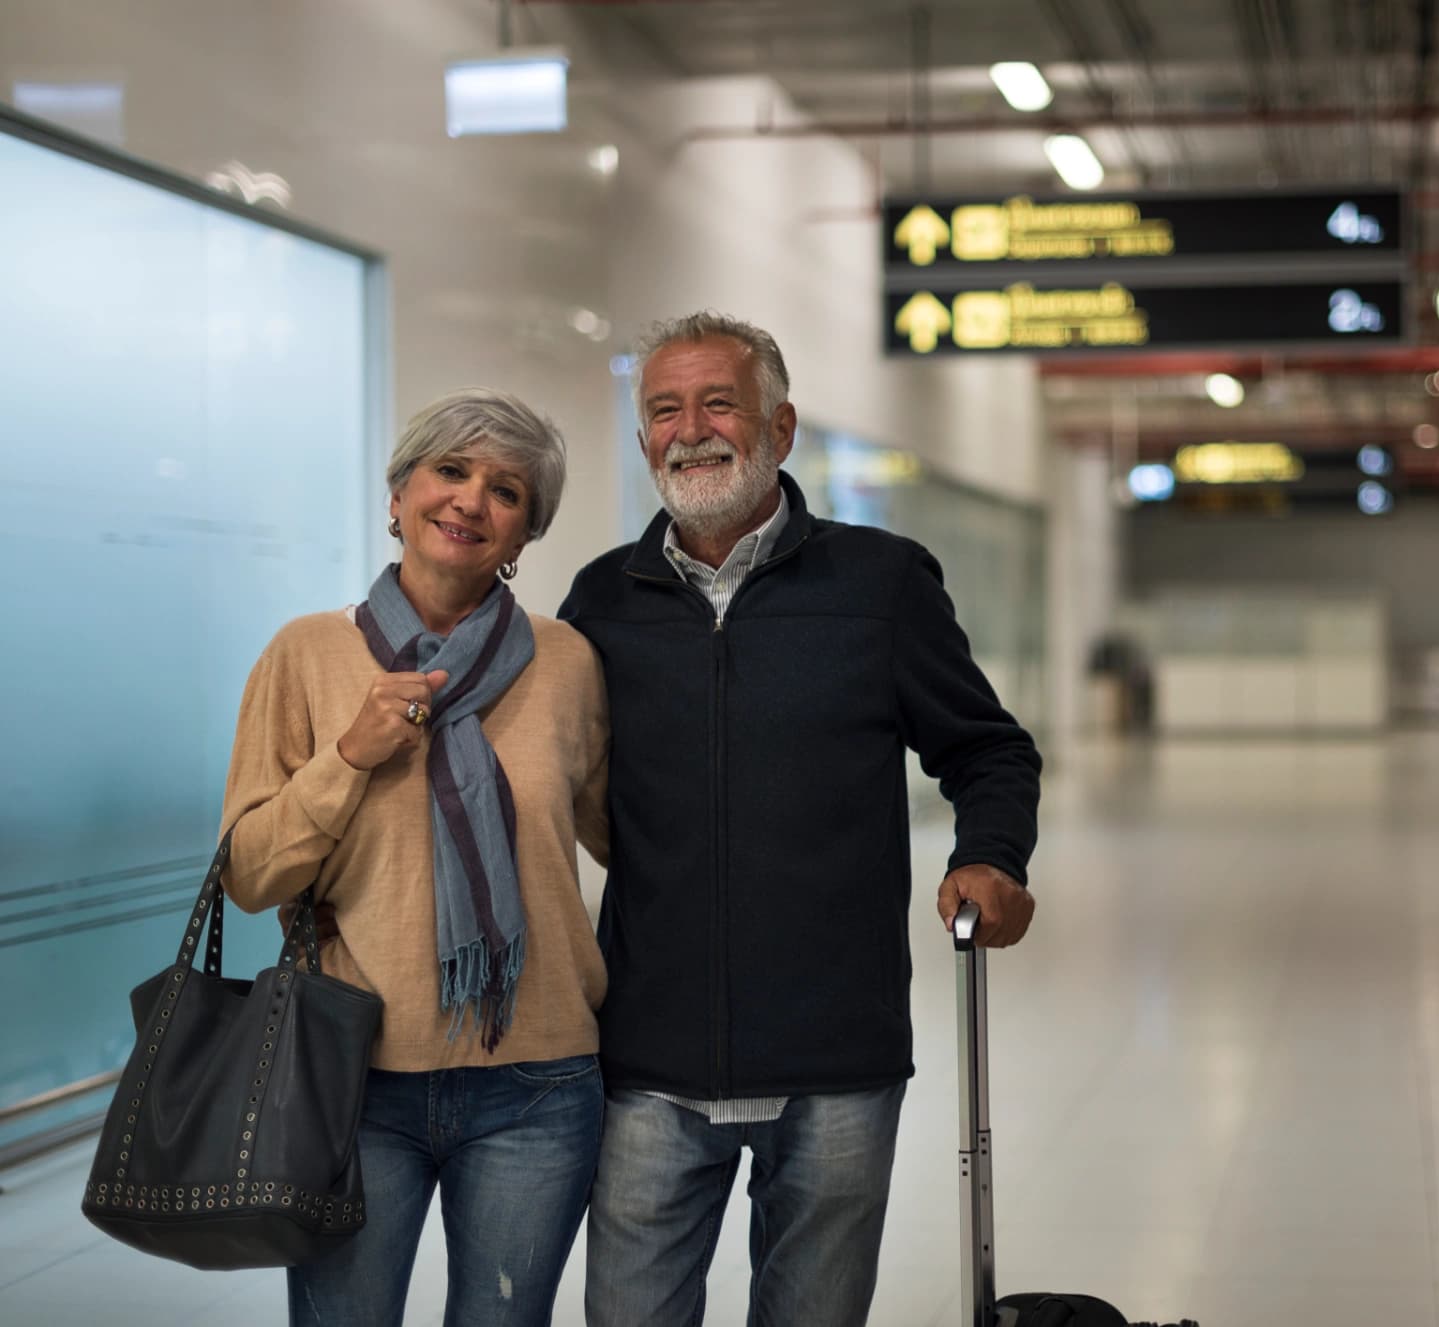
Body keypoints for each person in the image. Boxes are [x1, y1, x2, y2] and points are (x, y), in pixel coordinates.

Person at [562, 312, 1043, 1326]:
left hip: (836, 1056)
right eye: (664, 410)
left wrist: (991, 856)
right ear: (645, 439)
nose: (691, 429)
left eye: (719, 403)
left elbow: (987, 747)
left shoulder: (881, 585)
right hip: (649, 1059)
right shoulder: (602, 600)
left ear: (779, 428)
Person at [220, 389, 612, 1326]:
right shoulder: (306, 654)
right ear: (397, 496)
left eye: (506, 489)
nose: (472, 500)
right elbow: (248, 874)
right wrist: (348, 757)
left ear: (524, 532)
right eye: (450, 471)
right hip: (352, 1073)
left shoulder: (567, 663)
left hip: (540, 1077)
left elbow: (628, 839)